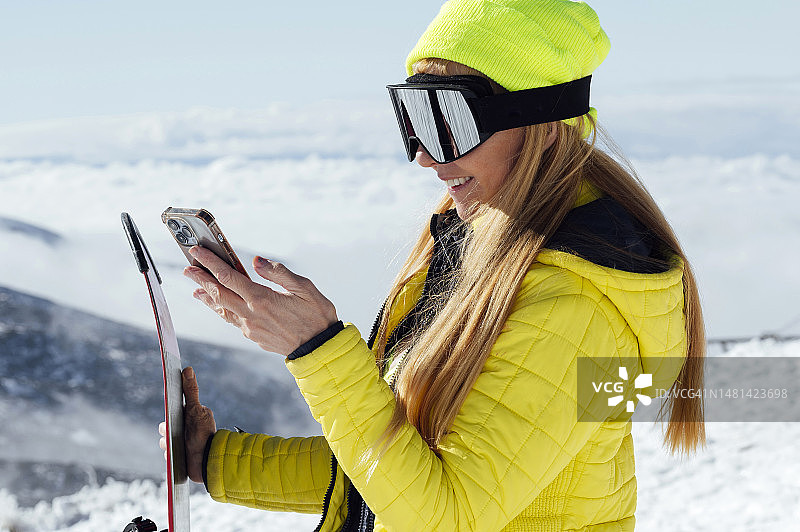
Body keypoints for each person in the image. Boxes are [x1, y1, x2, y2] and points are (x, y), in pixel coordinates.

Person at [159, 1, 706, 530]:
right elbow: (394, 474)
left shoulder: (574, 309)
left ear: (541, 124)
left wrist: (317, 351)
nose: (424, 155)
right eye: (415, 116)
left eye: (448, 119)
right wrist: (216, 461)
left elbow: (446, 516)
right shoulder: (474, 254)